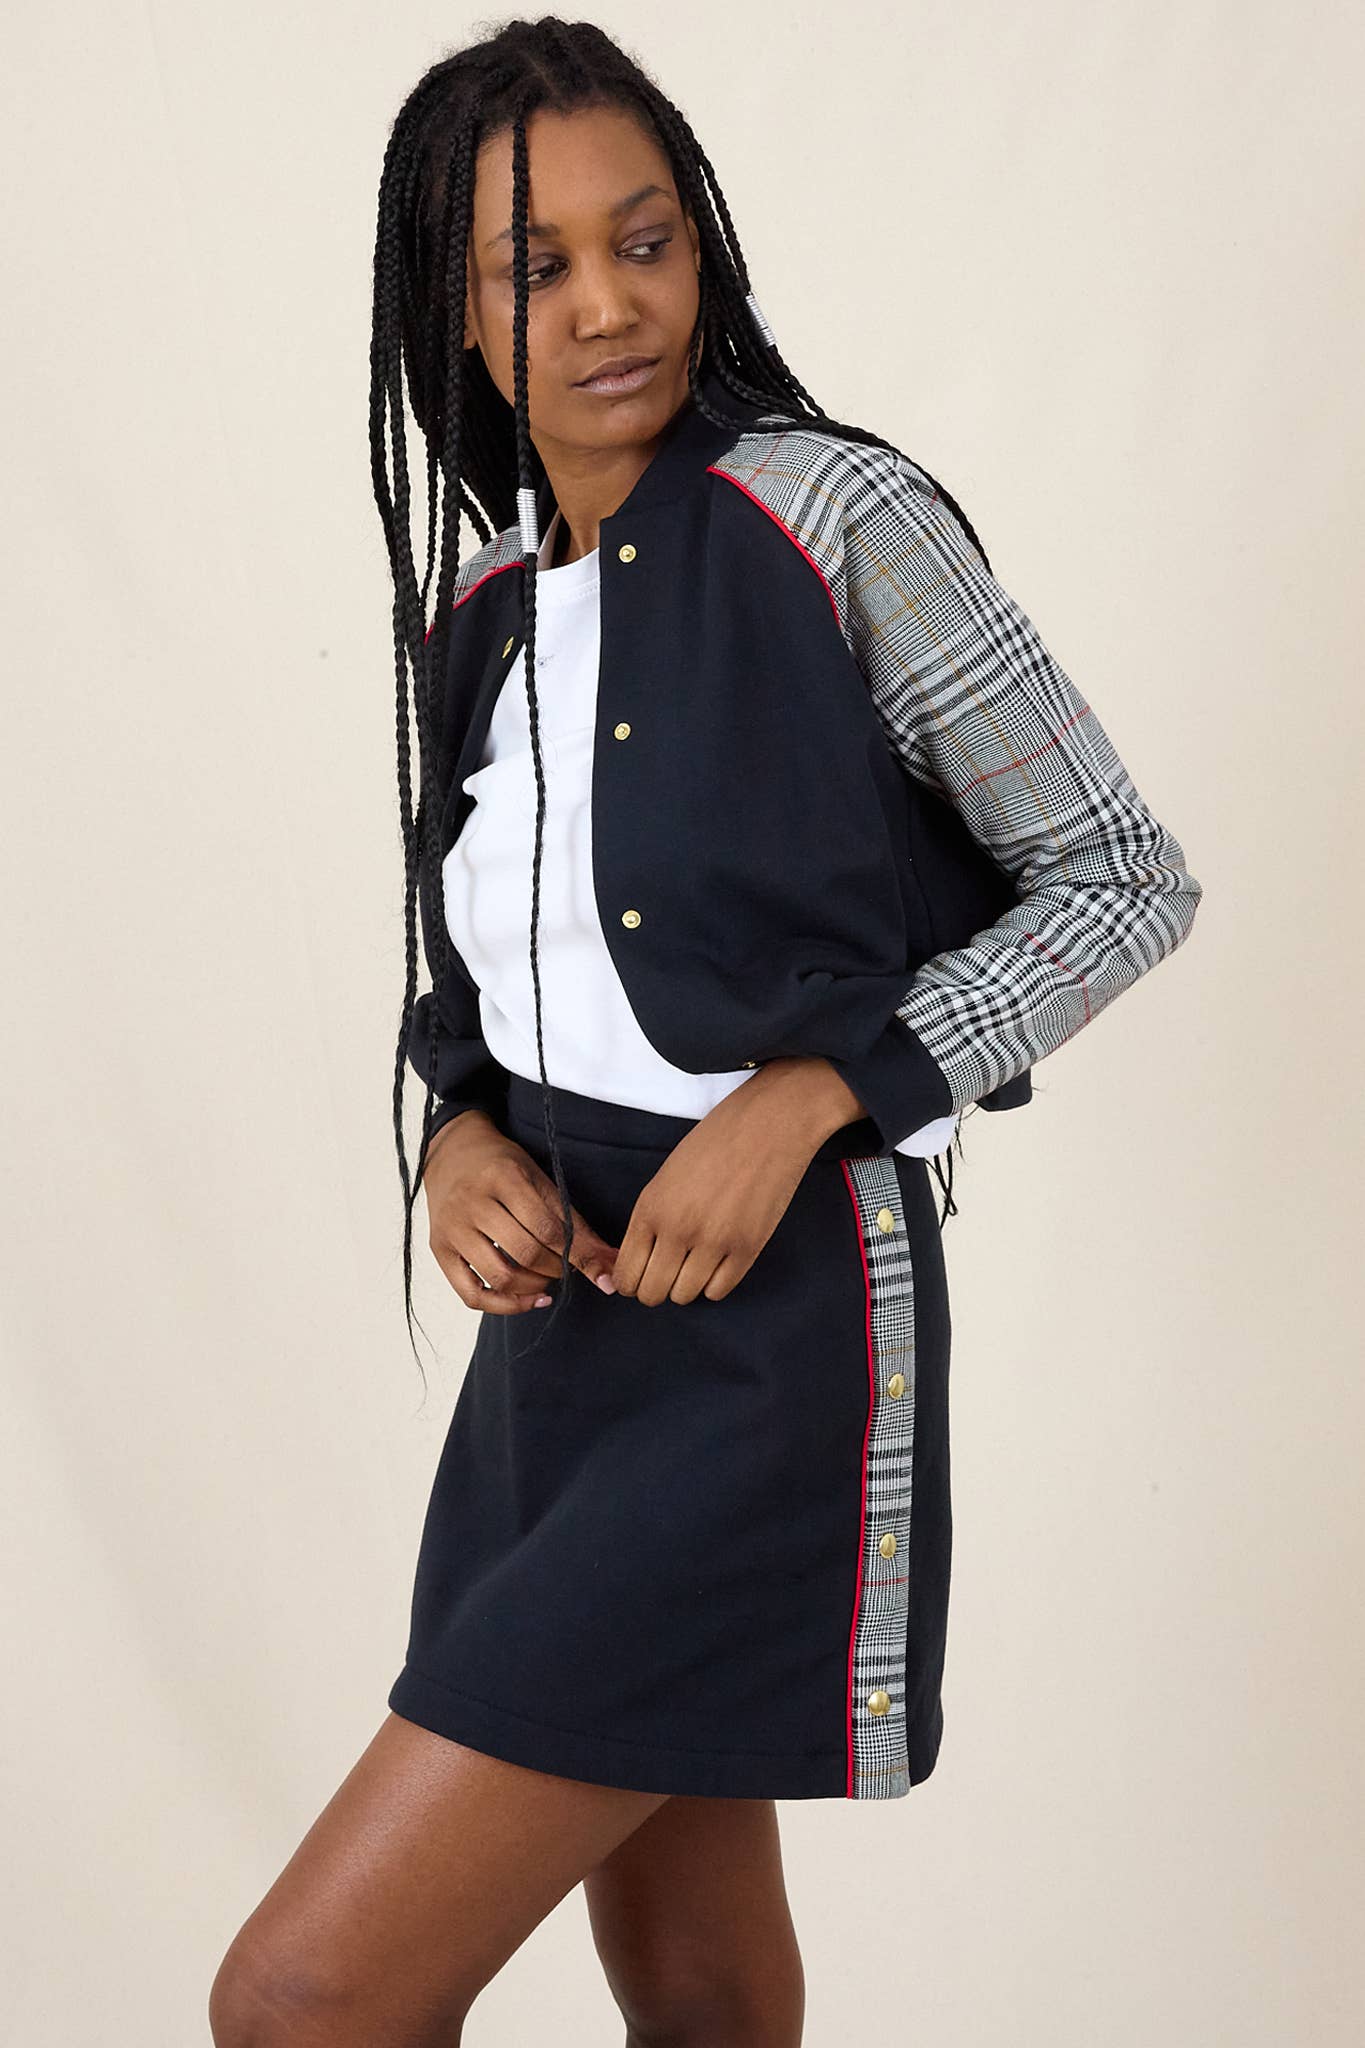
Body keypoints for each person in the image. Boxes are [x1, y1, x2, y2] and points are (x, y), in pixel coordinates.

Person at [209, 17, 1203, 2045]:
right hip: (555, 1358)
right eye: (536, 268)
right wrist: (457, 1140)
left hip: (769, 1337)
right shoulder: (480, 613)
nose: (606, 305)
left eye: (643, 241)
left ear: (701, 248)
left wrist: (818, 1091)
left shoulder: (833, 521)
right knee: (692, 1976)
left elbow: (1118, 875)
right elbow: (486, 989)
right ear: (458, 321)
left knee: (304, 2000)